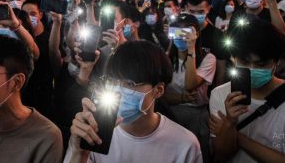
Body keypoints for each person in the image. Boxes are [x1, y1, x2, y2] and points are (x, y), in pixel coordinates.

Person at [64, 41, 202, 163]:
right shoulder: (92, 132)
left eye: (130, 83)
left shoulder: (185, 145)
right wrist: (79, 154)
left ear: (158, 90)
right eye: (112, 81)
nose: (118, 89)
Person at [209, 14, 285, 163]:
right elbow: (222, 155)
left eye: (261, 64)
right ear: (233, 58)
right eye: (244, 61)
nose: (252, 69)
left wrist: (238, 137)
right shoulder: (220, 94)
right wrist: (230, 121)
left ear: (276, 63)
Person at [160, 14, 216, 162]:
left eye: (185, 32)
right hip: (168, 113)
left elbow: (190, 84)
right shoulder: (165, 58)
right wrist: (180, 98)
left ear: (195, 33)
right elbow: (159, 93)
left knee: (196, 154)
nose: (180, 37)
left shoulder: (208, 58)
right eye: (176, 32)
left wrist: (191, 50)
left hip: (195, 115)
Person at [185, 0, 229, 86]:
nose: (196, 15)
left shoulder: (217, 35)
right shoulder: (181, 32)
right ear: (186, 9)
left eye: (200, 12)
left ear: (208, 9)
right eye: (192, 12)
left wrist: (216, 96)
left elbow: (221, 70)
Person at [21, 0, 55, 121]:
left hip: (42, 97)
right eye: (25, 14)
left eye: (33, 14)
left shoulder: (49, 37)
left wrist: (57, 23)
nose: (29, 18)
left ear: (40, 15)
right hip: (22, 97)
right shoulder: (16, 38)